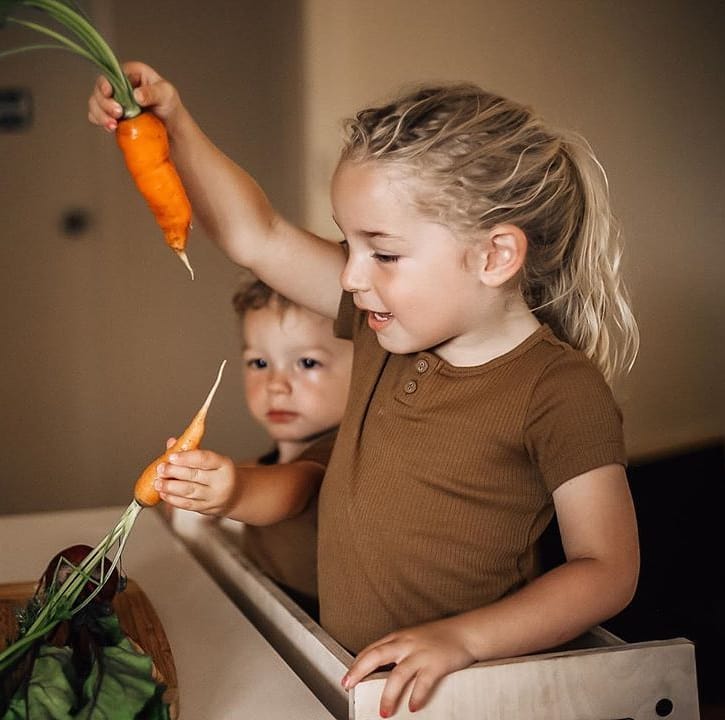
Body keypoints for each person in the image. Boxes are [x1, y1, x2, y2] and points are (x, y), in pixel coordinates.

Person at [89, 64, 640, 716]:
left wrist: (460, 640)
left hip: (462, 693)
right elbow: (256, 236)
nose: (350, 275)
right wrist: (173, 123)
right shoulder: (388, 330)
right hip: (348, 674)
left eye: (381, 252)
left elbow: (605, 568)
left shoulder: (556, 389)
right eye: (347, 243)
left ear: (494, 256)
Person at [159, 274, 353, 620]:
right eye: (259, 363)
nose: (276, 385)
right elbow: (265, 475)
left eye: (307, 362)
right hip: (269, 619)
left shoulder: (336, 452)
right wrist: (198, 494)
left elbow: (291, 491)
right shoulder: (278, 460)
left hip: (311, 648)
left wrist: (232, 493)